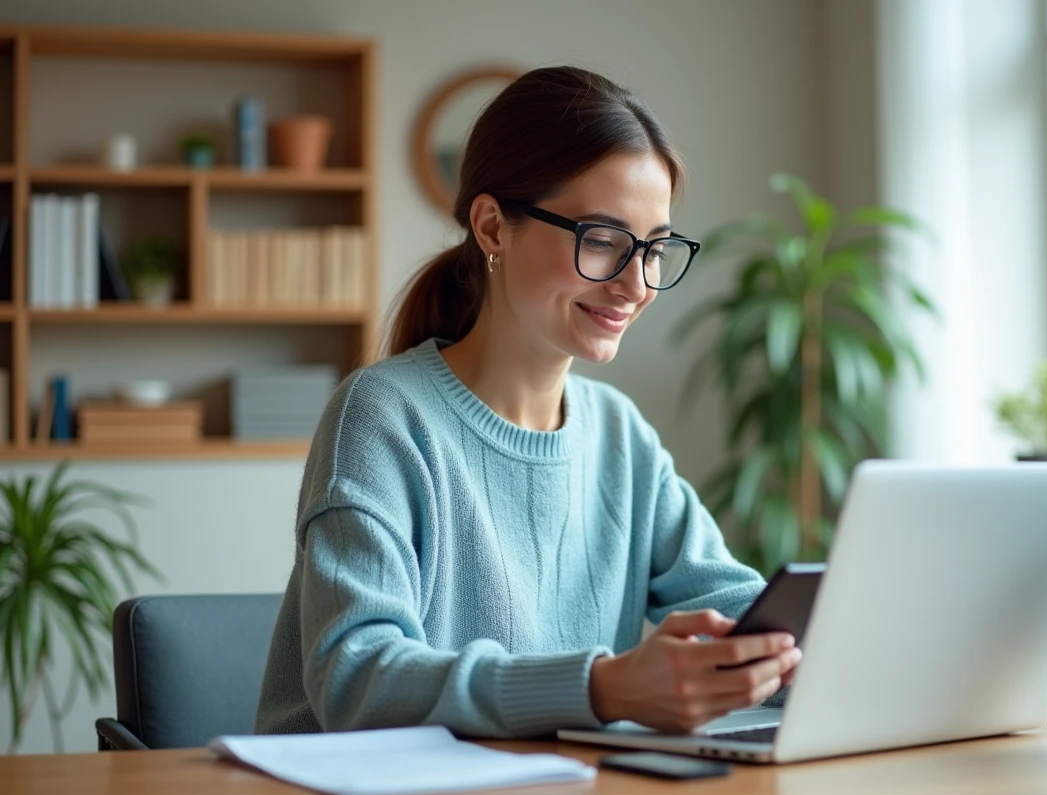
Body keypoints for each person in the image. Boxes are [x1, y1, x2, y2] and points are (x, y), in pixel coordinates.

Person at [255, 65, 800, 740]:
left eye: (655, 249)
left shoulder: (619, 436)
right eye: (602, 240)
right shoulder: (383, 416)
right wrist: (604, 688)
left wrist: (807, 655)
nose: (636, 284)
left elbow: (741, 611)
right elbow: (357, 677)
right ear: (492, 227)